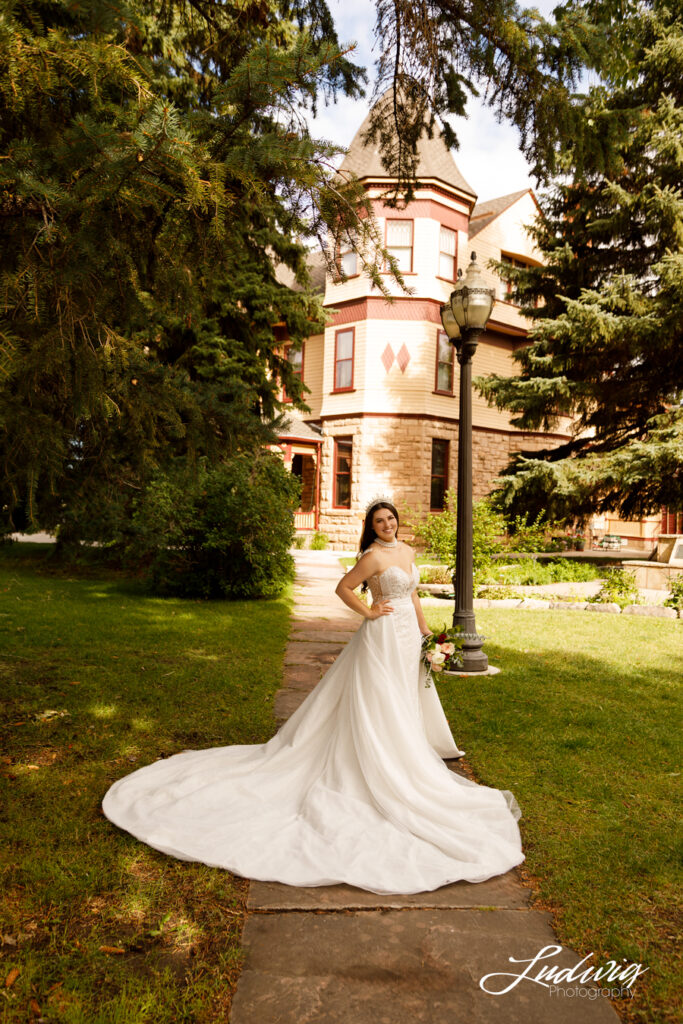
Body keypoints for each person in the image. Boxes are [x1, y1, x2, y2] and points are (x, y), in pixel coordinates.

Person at [102, 498, 524, 894]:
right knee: (377, 701)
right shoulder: (372, 557)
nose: (387, 525)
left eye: (390, 519)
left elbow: (411, 593)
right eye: (379, 521)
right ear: (371, 527)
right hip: (379, 637)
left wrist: (427, 631)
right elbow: (343, 589)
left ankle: (403, 752)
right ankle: (378, 759)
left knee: (401, 699)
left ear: (397, 521)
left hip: (407, 638)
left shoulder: (408, 553)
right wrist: (369, 612)